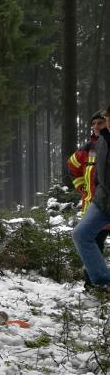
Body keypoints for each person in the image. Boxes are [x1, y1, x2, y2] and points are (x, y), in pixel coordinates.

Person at [68, 109, 110, 285]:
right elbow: (72, 165)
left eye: (100, 122)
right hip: (98, 203)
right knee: (88, 239)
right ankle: (94, 284)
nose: (96, 126)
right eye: (94, 124)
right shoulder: (90, 147)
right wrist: (82, 187)